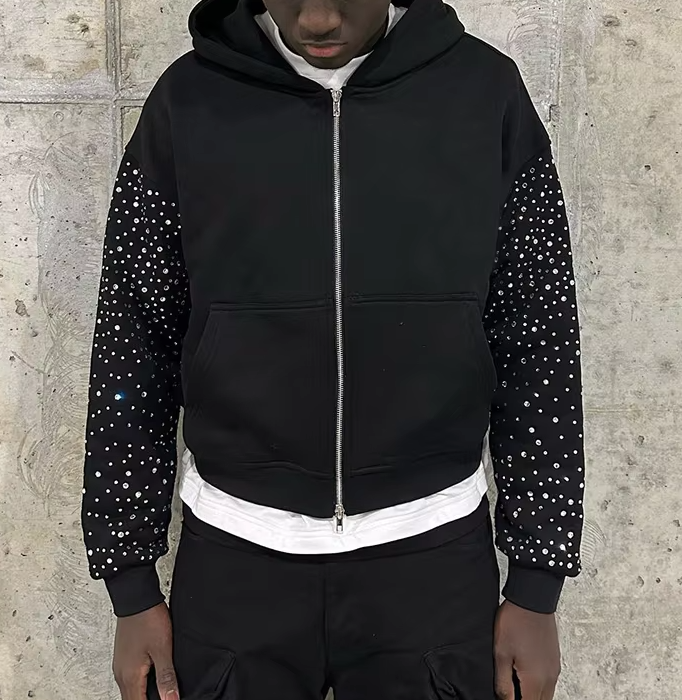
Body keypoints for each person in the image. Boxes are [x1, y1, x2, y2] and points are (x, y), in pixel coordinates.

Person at [81, 0, 586, 698]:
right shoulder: (189, 102)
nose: (318, 20)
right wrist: (130, 583)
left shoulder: (484, 95)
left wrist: (537, 581)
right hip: (236, 563)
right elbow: (134, 345)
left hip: (431, 561)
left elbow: (539, 340)